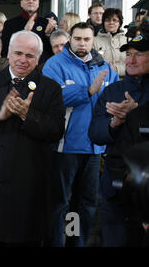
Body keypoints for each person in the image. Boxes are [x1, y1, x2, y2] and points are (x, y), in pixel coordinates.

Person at [0, 30, 65, 246]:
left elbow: (55, 130)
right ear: (8, 54)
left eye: (29, 56)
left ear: (38, 59)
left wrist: (27, 115)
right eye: (18, 53)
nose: (22, 60)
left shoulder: (51, 89)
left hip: (28, 192)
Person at [42, 22, 120, 247]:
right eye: (78, 39)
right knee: (61, 203)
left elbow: (114, 96)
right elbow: (52, 98)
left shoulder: (104, 66)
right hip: (66, 147)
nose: (82, 43)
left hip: (95, 148)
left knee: (85, 204)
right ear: (70, 39)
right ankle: (57, 242)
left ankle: (76, 242)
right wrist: (87, 90)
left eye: (87, 39)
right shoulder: (54, 64)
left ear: (93, 39)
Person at [89, 35, 149, 246]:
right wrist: (115, 123)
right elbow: (94, 133)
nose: (131, 60)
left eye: (139, 55)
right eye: (128, 54)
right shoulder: (112, 91)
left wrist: (138, 116)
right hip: (115, 184)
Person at [0, 0, 55, 65]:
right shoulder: (10, 23)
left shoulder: (46, 24)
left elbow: (53, 51)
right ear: (21, 3)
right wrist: (24, 32)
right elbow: (5, 50)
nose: (31, 1)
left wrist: (47, 34)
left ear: (38, 3)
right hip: (19, 66)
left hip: (41, 68)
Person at [93, 8, 127, 78]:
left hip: (123, 81)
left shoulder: (127, 40)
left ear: (120, 23)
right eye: (107, 20)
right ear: (103, 22)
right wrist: (106, 69)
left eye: (114, 20)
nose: (111, 22)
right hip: (103, 81)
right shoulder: (94, 41)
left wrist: (115, 69)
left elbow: (132, 66)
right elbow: (92, 64)